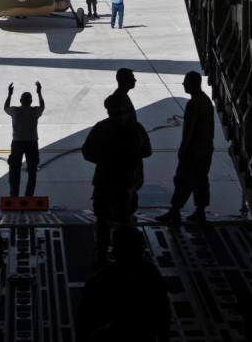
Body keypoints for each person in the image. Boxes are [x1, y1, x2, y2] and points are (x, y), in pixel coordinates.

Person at [82, 94, 152, 265]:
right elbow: (147, 152)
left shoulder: (102, 128)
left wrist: (106, 160)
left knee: (103, 221)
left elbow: (87, 152)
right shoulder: (136, 129)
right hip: (127, 183)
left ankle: (102, 256)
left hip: (106, 181)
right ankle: (127, 257)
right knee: (125, 220)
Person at [75, 226, 171, 342]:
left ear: (116, 251)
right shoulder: (150, 273)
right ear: (140, 250)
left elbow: (83, 317)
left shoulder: (103, 277)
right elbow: (164, 311)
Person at [156, 71, 215, 226]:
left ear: (193, 83)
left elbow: (190, 129)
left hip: (194, 149)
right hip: (205, 148)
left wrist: (183, 149)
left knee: (183, 179)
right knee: (201, 180)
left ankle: (175, 211)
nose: (183, 84)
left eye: (186, 82)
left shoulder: (194, 103)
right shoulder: (205, 101)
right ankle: (200, 211)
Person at [3, 81, 44, 197]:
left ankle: (14, 195)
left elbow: (5, 107)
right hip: (32, 142)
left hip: (17, 142)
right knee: (32, 170)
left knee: (14, 170)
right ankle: (29, 196)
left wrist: (9, 94)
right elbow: (42, 106)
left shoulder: (15, 110)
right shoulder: (34, 111)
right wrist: (39, 93)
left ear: (20, 101)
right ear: (31, 101)